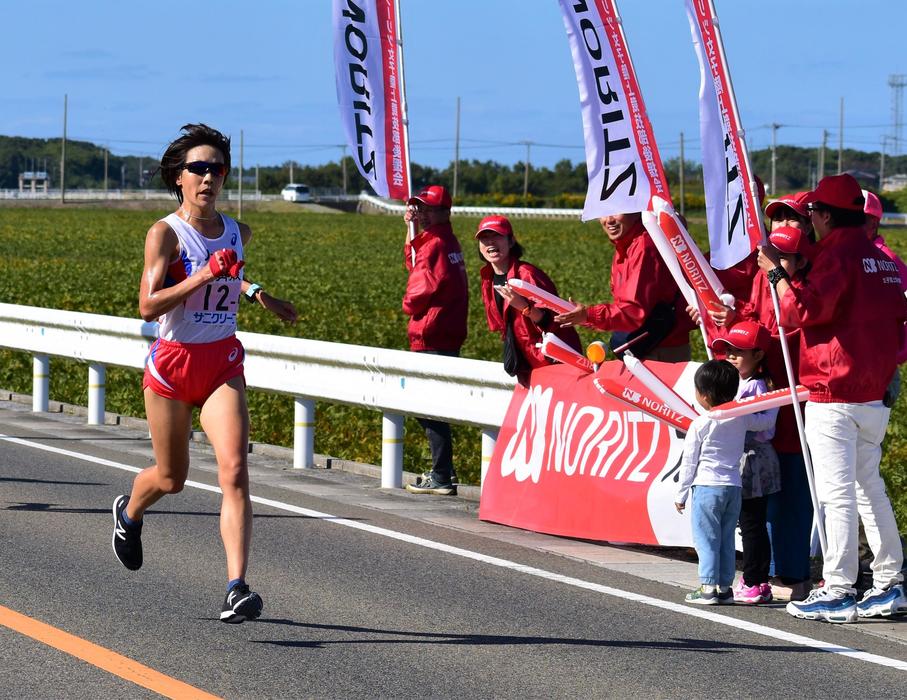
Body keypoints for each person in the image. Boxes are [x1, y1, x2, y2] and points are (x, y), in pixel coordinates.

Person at [112, 123, 298, 624]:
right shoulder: (165, 234)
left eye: (217, 168)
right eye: (198, 168)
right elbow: (147, 306)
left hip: (221, 362)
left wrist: (261, 295)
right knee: (172, 479)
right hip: (173, 366)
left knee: (235, 470)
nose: (208, 177)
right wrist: (202, 275)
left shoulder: (239, 231)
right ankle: (130, 512)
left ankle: (236, 586)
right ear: (178, 177)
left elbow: (232, 270)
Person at [758, 173, 907, 623]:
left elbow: (799, 311)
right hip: (872, 390)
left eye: (813, 214)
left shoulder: (835, 255)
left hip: (833, 387)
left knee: (837, 492)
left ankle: (839, 587)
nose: (811, 223)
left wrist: (777, 275)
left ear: (823, 215)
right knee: (868, 487)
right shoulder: (879, 257)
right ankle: (889, 582)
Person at [675, 360, 776, 605]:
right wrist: (774, 398)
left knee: (706, 538)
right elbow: (765, 422)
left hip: (707, 488)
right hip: (734, 487)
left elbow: (689, 462)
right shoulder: (740, 418)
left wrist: (681, 494)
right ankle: (725, 588)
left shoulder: (700, 423)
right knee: (727, 538)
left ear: (704, 395)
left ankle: (707, 587)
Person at [401, 185, 468, 496]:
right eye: (420, 208)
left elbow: (418, 287)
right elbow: (414, 261)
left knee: (426, 404)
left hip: (431, 332)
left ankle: (441, 473)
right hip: (446, 331)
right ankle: (444, 470)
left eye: (428, 209)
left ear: (444, 212)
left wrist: (408, 304)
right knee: (431, 404)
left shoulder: (435, 244)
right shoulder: (445, 241)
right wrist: (410, 227)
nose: (423, 214)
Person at [554, 212, 693, 361]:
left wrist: (590, 315)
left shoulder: (645, 247)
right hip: (646, 344)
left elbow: (633, 311)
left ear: (635, 212)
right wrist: (585, 317)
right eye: (603, 213)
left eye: (615, 212)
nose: (608, 220)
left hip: (660, 349)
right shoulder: (626, 244)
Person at [711, 322, 780, 604]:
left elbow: (767, 425)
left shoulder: (761, 385)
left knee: (752, 523)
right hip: (739, 456)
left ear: (759, 355)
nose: (731, 355)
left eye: (739, 351)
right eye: (729, 349)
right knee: (746, 522)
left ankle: (754, 581)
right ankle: (754, 579)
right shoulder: (734, 383)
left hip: (754, 459)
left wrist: (736, 418)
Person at [475, 215, 582, 386]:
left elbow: (554, 321)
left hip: (552, 361)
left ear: (511, 241)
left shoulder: (527, 275)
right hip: (526, 362)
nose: (491, 243)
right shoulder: (488, 278)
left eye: (497, 236)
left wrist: (524, 307)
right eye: (484, 238)